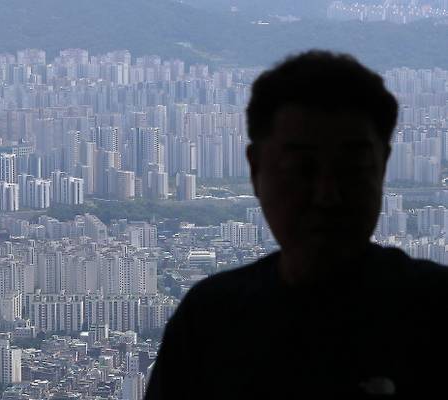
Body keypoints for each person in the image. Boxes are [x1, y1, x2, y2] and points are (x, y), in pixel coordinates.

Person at [144, 51, 448, 398]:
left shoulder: (437, 315)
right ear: (255, 169)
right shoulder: (209, 323)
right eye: (301, 168)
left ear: (384, 167)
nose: (327, 195)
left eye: (353, 168)